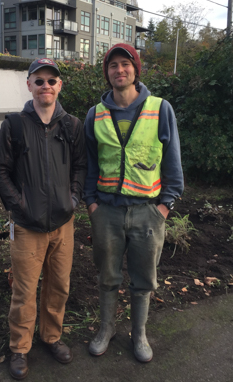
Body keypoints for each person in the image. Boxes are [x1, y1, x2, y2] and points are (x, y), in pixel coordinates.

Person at [84, 43, 184, 362]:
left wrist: (163, 208)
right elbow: (89, 165)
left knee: (143, 280)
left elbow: (173, 166)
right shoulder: (95, 114)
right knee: (107, 277)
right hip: (107, 213)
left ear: (135, 70)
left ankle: (138, 335)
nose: (119, 70)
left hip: (147, 213)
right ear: (107, 73)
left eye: (125, 64)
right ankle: (106, 329)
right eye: (113, 65)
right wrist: (92, 205)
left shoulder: (159, 108)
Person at [0, 58, 87, 380]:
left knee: (59, 285)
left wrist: (73, 199)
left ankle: (51, 336)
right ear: (29, 84)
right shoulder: (14, 125)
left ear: (60, 86)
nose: (46, 86)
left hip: (63, 223)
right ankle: (19, 346)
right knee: (25, 289)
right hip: (26, 225)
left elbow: (80, 168)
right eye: (39, 80)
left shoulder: (72, 126)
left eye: (52, 81)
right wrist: (18, 206)